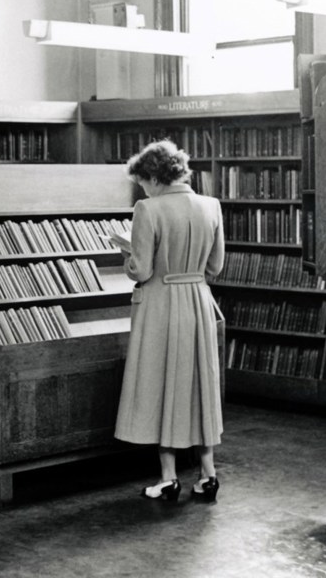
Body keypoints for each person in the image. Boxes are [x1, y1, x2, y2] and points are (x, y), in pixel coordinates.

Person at [113, 139, 225, 503]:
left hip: (161, 304)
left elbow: (141, 270)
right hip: (198, 300)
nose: (141, 188)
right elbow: (215, 267)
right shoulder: (211, 206)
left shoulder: (147, 209)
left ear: (153, 176)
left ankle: (168, 478)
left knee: (161, 385)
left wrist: (126, 253)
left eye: (142, 181)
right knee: (199, 387)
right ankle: (208, 475)